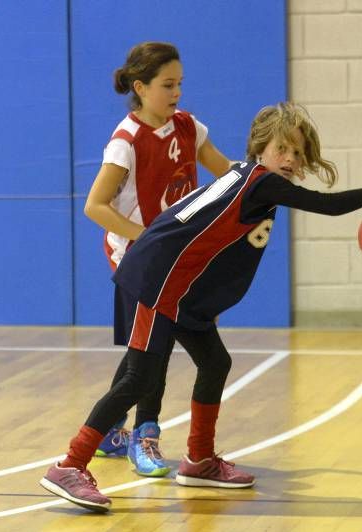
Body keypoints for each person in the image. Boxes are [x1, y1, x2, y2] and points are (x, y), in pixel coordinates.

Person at [40, 102, 362, 512]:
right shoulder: (262, 183)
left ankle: (199, 460)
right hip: (156, 280)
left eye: (297, 153)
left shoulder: (245, 178)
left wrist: (207, 302)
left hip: (178, 286)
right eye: (283, 149)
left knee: (215, 361)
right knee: (139, 379)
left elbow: (209, 245)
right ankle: (70, 464)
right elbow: (327, 206)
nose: (290, 159)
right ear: (261, 148)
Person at [82, 42, 231, 478]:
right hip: (138, 260)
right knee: (156, 348)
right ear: (141, 87)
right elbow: (95, 206)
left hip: (177, 259)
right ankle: (143, 439)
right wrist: (150, 238)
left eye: (180, 84)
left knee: (144, 349)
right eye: (168, 85)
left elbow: (226, 174)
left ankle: (112, 430)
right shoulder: (125, 142)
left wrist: (258, 187)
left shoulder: (188, 128)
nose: (177, 93)